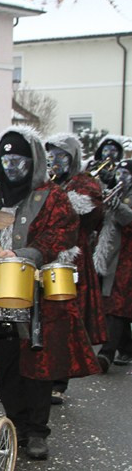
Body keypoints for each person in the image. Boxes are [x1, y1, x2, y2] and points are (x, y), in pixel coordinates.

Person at [0, 128, 97, 461]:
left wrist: (29, 253)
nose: (11, 167)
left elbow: (63, 233)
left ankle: (38, 431)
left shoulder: (51, 196)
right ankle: (16, 426)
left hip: (38, 290)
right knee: (6, 363)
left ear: (33, 162)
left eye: (19, 160)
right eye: (6, 160)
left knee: (38, 363)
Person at [45, 134, 106, 403]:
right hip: (47, 254)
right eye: (52, 156)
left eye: (61, 156)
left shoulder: (85, 182)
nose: (55, 161)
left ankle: (59, 380)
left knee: (66, 319)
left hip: (73, 257)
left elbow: (83, 209)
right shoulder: (47, 183)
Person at [94, 159, 132, 374]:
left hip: (127, 257)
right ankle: (127, 347)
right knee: (114, 304)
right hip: (110, 255)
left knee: (116, 304)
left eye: (126, 173)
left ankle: (106, 354)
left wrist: (119, 205)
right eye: (120, 172)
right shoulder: (116, 191)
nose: (122, 177)